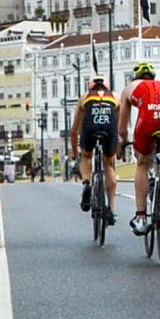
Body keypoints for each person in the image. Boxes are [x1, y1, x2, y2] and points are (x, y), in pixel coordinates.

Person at [118, 62, 160, 236]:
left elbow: (122, 127)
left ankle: (141, 217)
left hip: (147, 121)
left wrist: (122, 143)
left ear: (135, 77)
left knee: (142, 164)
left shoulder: (129, 88)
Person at [70, 76, 121, 224]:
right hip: (109, 126)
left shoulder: (85, 97)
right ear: (107, 87)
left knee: (86, 157)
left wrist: (74, 153)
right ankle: (110, 210)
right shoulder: (115, 96)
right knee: (109, 165)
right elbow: (119, 122)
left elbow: (74, 130)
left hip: (90, 126)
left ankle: (87, 183)